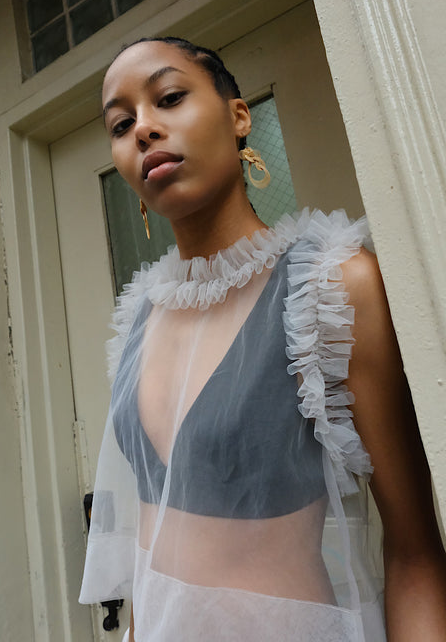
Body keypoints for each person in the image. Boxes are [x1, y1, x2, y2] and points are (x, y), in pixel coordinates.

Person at [79, 37, 446, 641]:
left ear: (238, 117)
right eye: (121, 125)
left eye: (169, 98)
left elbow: (416, 553)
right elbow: (152, 553)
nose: (143, 129)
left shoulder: (331, 288)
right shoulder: (138, 320)